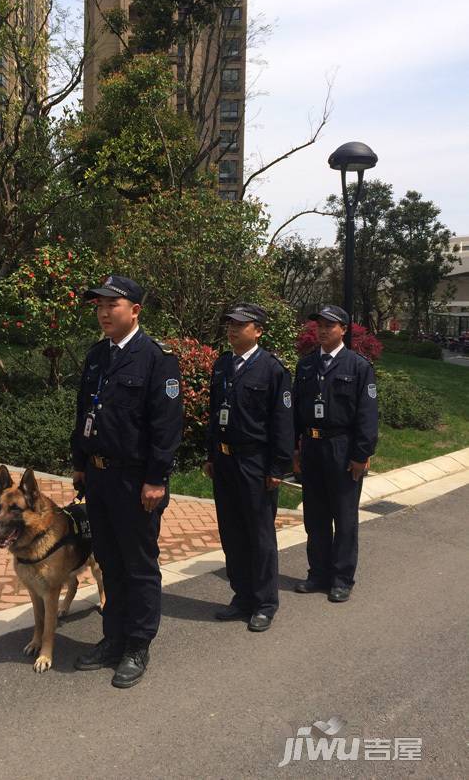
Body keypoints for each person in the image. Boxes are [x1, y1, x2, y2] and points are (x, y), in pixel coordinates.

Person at [71, 274, 183, 688]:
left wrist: (156, 478)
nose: (102, 312)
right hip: (98, 478)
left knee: (138, 565)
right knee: (110, 562)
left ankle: (137, 645)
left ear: (134, 310)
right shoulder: (98, 355)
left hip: (136, 481)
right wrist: (80, 463)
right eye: (98, 305)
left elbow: (167, 424)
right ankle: (112, 637)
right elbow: (85, 411)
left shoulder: (156, 358)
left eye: (111, 305)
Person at [203, 304, 294, 632]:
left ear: (258, 331)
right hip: (225, 461)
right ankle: (241, 595)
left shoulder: (272, 370)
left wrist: (277, 467)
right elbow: (214, 413)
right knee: (232, 531)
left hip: (255, 463)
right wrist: (211, 455)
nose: (232, 330)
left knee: (259, 534)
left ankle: (265, 602)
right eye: (230, 324)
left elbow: (283, 423)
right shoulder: (223, 364)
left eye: (240, 325)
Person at [293, 305, 378, 602]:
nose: (323, 330)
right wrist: (294, 449)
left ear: (343, 329)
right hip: (312, 447)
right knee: (314, 516)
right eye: (320, 325)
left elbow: (367, 415)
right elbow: (295, 412)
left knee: (344, 517)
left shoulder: (358, 366)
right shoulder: (305, 366)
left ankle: (342, 578)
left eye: (330, 325)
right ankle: (318, 573)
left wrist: (361, 454)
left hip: (342, 448)